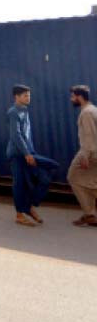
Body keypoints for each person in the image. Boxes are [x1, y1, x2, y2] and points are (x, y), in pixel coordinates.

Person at [6, 84, 59, 226]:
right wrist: (27, 154)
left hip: (29, 153)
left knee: (46, 176)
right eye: (25, 95)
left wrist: (30, 152)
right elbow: (16, 135)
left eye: (29, 95)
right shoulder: (13, 112)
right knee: (19, 184)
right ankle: (19, 214)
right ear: (16, 97)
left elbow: (26, 135)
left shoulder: (25, 111)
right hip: (18, 155)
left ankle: (29, 206)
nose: (28, 98)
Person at [67, 85, 97, 227]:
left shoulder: (86, 113)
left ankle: (90, 214)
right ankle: (90, 214)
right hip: (92, 151)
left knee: (73, 177)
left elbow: (89, 136)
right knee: (89, 181)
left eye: (73, 96)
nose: (71, 99)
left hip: (90, 152)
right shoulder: (92, 110)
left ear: (79, 97)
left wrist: (85, 156)